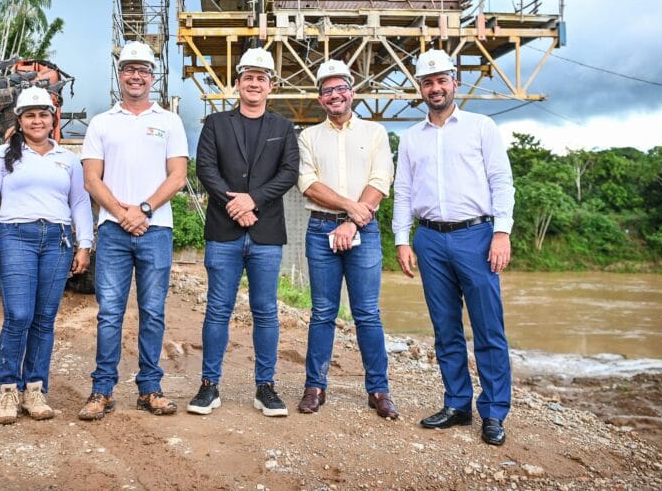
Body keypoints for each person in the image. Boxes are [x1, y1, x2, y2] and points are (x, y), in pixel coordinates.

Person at [392, 49, 515, 446]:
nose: (435, 88)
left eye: (441, 80)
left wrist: (502, 232)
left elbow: (501, 181)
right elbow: (403, 191)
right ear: (420, 88)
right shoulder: (411, 138)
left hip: (476, 236)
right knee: (445, 329)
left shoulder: (481, 127)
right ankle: (458, 404)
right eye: (427, 82)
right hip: (429, 239)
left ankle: (493, 412)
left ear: (454, 83)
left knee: (488, 328)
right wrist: (402, 239)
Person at [78, 41, 189, 420]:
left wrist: (143, 210)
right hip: (113, 231)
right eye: (129, 69)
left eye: (143, 70)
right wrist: (121, 213)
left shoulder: (169, 122)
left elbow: (178, 176)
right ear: (120, 74)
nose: (136, 76)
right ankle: (102, 390)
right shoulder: (102, 123)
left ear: (152, 76)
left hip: (156, 230)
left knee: (152, 312)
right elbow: (92, 179)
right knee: (109, 313)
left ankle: (149, 388)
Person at [0, 86, 93, 425]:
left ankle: (35, 389)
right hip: (16, 238)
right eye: (30, 115)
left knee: (44, 318)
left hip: (57, 240)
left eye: (43, 114)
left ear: (53, 119)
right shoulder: (1, 157)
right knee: (18, 315)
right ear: (20, 120)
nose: (37, 120)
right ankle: (6, 389)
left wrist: (84, 244)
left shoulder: (67, 159)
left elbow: (79, 202)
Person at [189, 48, 299, 418]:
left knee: (265, 311)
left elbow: (288, 173)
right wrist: (234, 204)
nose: (254, 83)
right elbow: (206, 168)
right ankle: (209, 385)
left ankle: (265, 387)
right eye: (248, 77)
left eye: (261, 78)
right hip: (224, 231)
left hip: (266, 233)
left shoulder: (283, 128)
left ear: (271, 86)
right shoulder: (216, 123)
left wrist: (253, 200)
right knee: (218, 309)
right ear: (237, 83)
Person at [295, 60, 399, 420]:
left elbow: (381, 178)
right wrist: (350, 208)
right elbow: (307, 183)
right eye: (327, 91)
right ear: (320, 99)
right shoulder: (309, 137)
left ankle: (379, 390)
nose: (335, 95)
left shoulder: (374, 132)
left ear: (352, 93)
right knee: (323, 312)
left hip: (363, 231)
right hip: (321, 229)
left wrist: (354, 220)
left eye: (341, 88)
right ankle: (314, 387)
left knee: (367, 313)